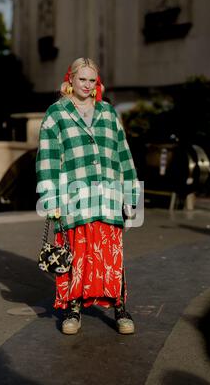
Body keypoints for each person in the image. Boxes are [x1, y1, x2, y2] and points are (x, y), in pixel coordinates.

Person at [36, 57, 140, 335]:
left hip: (108, 198)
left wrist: (130, 195)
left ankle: (120, 308)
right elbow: (48, 158)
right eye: (82, 79)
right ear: (70, 79)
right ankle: (74, 310)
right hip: (74, 200)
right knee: (77, 255)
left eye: (92, 80)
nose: (87, 85)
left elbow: (123, 155)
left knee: (111, 256)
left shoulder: (108, 113)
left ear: (97, 83)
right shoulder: (56, 114)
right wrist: (52, 199)